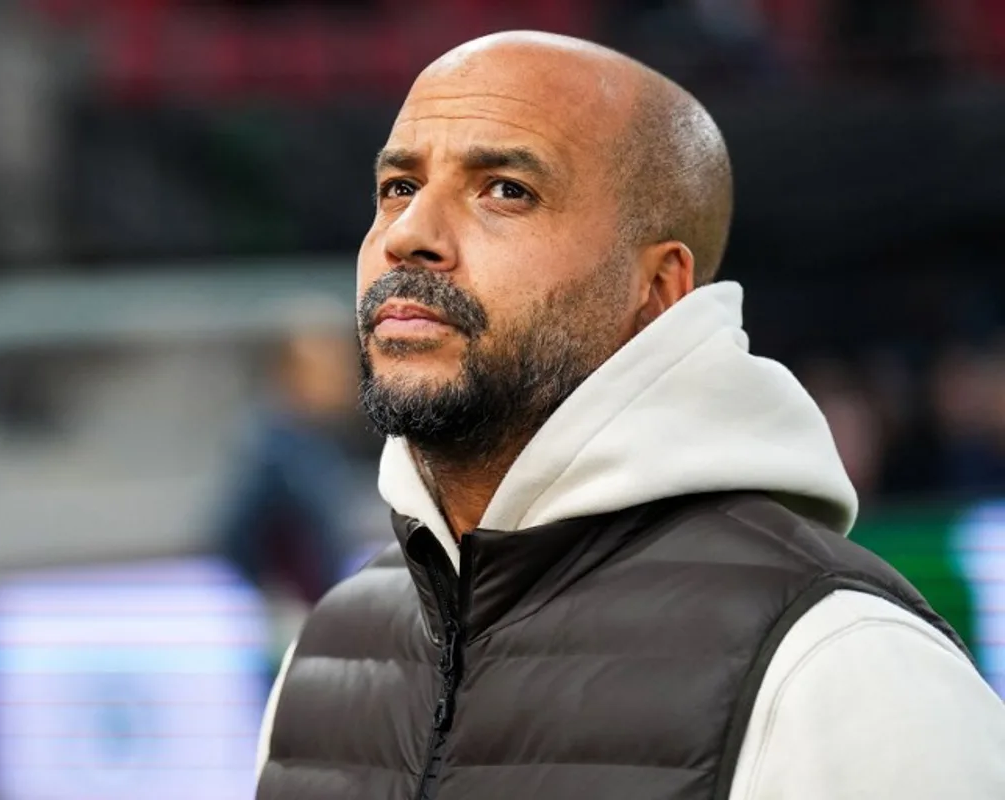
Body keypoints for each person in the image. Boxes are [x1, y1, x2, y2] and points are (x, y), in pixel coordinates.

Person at [254, 30, 1005, 800]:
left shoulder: (842, 672)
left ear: (657, 291)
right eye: (399, 188)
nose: (409, 234)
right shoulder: (324, 656)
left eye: (506, 189)